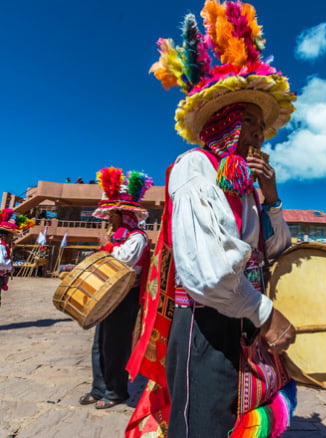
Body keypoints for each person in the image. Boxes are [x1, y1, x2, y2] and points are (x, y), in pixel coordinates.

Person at [126, 2, 298, 437]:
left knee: (243, 417)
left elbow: (275, 250)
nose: (260, 136)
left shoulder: (248, 187)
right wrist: (265, 312)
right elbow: (206, 273)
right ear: (225, 125)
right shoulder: (196, 168)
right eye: (251, 124)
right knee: (203, 424)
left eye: (261, 127)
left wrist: (273, 198)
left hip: (244, 317)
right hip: (207, 324)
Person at [79, 167, 153, 409]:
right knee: (100, 343)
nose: (109, 218)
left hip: (125, 296)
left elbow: (124, 260)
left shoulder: (137, 237)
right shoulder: (118, 238)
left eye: (113, 214)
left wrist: (107, 248)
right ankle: (98, 388)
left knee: (116, 344)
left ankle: (116, 390)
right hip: (109, 295)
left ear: (124, 214)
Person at [0, 209, 34, 306]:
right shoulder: (1, 246)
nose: (11, 238)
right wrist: (10, 267)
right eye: (10, 235)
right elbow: (1, 262)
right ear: (4, 236)